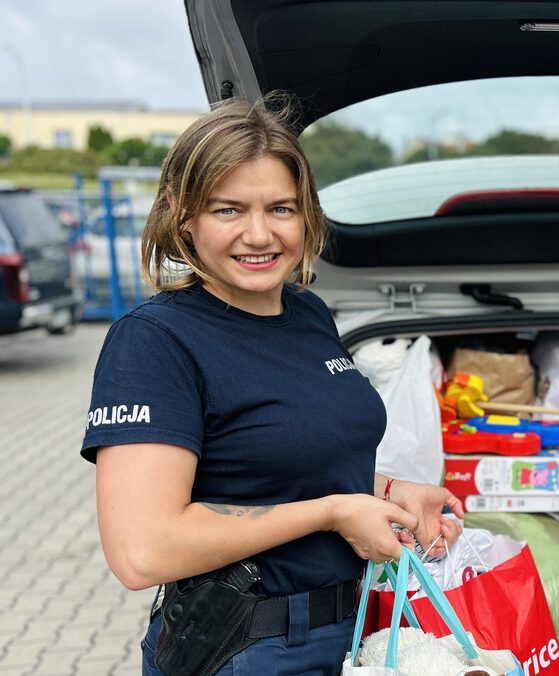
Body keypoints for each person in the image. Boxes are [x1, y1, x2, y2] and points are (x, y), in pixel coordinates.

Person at [80, 95, 464, 675]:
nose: (259, 235)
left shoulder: (308, 314)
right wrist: (334, 511)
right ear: (182, 213)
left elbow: (281, 463)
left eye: (280, 209)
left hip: (349, 629)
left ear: (306, 213)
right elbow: (144, 550)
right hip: (246, 645)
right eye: (227, 210)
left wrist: (383, 491)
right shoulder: (155, 342)